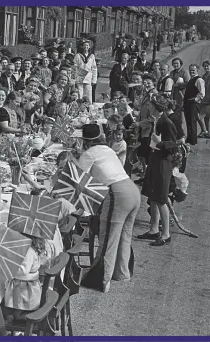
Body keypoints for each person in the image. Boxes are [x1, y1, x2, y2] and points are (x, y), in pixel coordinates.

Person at [78, 124, 140, 293]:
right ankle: (122, 272)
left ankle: (101, 280)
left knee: (107, 238)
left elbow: (78, 178)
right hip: (132, 191)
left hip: (117, 193)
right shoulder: (107, 150)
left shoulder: (89, 154)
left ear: (85, 141)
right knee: (124, 236)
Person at [138, 95, 178, 246]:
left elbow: (173, 146)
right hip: (154, 160)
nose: (148, 107)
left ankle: (166, 234)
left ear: (155, 107)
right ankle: (154, 229)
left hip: (163, 163)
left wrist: (160, 143)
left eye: (150, 105)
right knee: (153, 196)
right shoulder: (156, 121)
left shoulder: (166, 123)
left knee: (161, 198)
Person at [3, 233, 59, 322]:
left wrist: (9, 267)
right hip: (27, 285)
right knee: (10, 308)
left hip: (24, 288)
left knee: (16, 314)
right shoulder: (33, 248)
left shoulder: (28, 252)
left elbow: (23, 271)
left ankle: (36, 319)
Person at [134, 74, 158, 183]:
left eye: (148, 83)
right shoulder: (147, 94)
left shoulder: (154, 95)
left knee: (146, 154)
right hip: (142, 128)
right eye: (144, 82)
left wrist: (139, 124)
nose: (146, 84)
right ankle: (144, 174)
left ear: (153, 83)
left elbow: (153, 118)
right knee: (141, 154)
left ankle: (147, 177)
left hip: (148, 130)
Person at [183, 64, 205, 146]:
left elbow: (202, 93)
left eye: (193, 70)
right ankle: (189, 138)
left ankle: (193, 140)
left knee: (192, 121)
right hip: (187, 103)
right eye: (190, 70)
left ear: (197, 70)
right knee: (188, 121)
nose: (191, 72)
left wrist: (195, 100)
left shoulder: (199, 80)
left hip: (193, 104)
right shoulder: (191, 79)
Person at [197, 59, 210, 139]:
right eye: (205, 66)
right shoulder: (204, 75)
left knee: (200, 117)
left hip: (209, 100)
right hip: (203, 99)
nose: (206, 67)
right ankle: (207, 133)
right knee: (206, 118)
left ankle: (204, 131)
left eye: (207, 66)